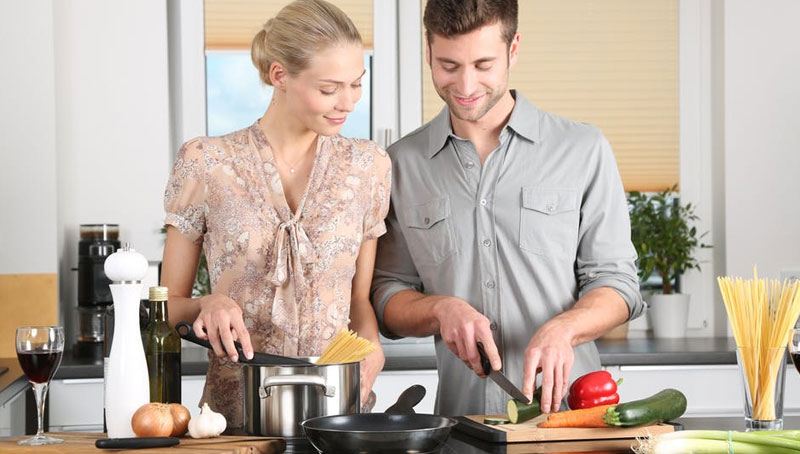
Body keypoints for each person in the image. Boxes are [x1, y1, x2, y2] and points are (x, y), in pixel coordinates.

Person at [371, 0, 644, 417]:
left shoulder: (582, 149)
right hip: (463, 428)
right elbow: (387, 293)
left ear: (513, 49)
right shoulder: (402, 164)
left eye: (483, 65)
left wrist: (565, 328)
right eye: (448, 65)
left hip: (572, 422)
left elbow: (617, 283)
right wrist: (441, 309)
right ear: (428, 52)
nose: (465, 85)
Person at [160, 0, 390, 428]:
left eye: (357, 84)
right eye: (329, 88)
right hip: (235, 418)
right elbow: (163, 309)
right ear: (279, 75)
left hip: (338, 413)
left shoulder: (369, 166)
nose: (349, 102)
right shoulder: (207, 162)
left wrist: (372, 347)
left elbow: (359, 300)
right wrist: (207, 303)